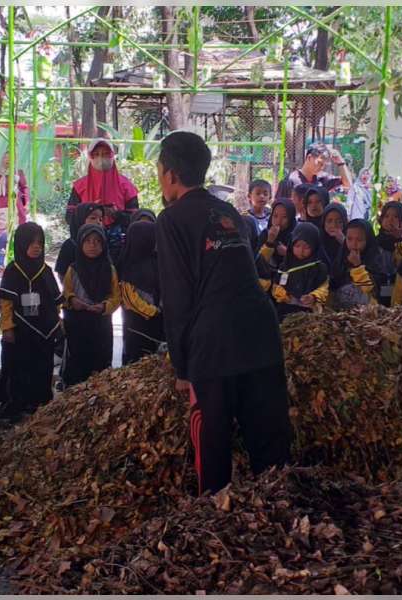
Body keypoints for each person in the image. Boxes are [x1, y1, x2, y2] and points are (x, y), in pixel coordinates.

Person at [155, 130, 291, 494]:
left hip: (213, 345)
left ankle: (215, 522)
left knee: (213, 450)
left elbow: (177, 295)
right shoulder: (228, 211)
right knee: (270, 446)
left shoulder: (171, 220)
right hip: (262, 334)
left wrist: (182, 367)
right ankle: (278, 521)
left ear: (169, 174)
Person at [0, 223, 62, 420]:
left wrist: (57, 322)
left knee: (42, 368)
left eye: (40, 243)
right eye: (31, 242)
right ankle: (17, 403)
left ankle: (40, 403)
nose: (36, 247)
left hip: (45, 331)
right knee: (19, 368)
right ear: (21, 243)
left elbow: (55, 301)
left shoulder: (46, 270)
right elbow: (5, 303)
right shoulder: (12, 270)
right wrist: (7, 327)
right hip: (20, 330)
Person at [61, 224, 120, 387]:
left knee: (100, 365)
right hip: (77, 323)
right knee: (78, 364)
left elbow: (116, 297)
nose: (92, 246)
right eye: (87, 241)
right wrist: (73, 300)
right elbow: (66, 292)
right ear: (80, 244)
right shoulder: (73, 269)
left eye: (97, 242)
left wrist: (104, 307)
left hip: (101, 324)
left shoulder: (109, 269)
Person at [67, 139, 139, 260]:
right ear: (91, 157)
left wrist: (117, 215)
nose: (101, 159)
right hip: (87, 244)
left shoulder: (126, 186)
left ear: (112, 156)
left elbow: (136, 219)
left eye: (105, 154)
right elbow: (69, 216)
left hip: (118, 247)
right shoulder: (79, 186)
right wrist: (87, 214)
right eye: (96, 154)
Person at [117, 221, 164, 365]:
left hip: (160, 323)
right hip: (137, 325)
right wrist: (153, 311)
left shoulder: (159, 261)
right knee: (138, 362)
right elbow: (129, 297)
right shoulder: (127, 263)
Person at [270, 222, 330, 322]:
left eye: (306, 247)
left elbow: (324, 288)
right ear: (291, 244)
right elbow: (276, 286)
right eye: (297, 246)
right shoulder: (286, 265)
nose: (301, 251)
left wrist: (313, 297)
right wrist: (284, 295)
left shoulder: (319, 268)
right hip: (285, 311)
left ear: (315, 246)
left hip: (309, 313)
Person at [329, 219, 384, 309]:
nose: (354, 244)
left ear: (368, 240)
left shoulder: (374, 260)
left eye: (359, 240)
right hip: (339, 314)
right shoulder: (341, 257)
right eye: (349, 239)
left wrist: (357, 266)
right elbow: (333, 284)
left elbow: (370, 290)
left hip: (366, 315)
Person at [275, 143, 352, 201]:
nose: (322, 167)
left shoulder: (323, 179)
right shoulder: (290, 180)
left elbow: (347, 184)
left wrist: (341, 162)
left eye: (324, 165)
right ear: (309, 157)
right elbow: (279, 205)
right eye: (319, 163)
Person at [54, 203, 104, 281]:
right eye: (93, 218)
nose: (98, 222)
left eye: (101, 219)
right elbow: (62, 273)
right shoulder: (70, 245)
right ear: (80, 219)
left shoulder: (102, 243)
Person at [376, 201, 402, 307]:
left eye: (395, 216)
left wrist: (400, 240)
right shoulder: (374, 241)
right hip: (378, 290)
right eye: (386, 216)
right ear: (381, 219)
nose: (390, 220)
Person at [0, 152, 30, 227]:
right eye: (6, 158)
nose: (7, 160)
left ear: (14, 160)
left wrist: (26, 203)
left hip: (15, 203)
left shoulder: (18, 172)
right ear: (2, 159)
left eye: (10, 158)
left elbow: (24, 187)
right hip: (1, 204)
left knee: (18, 225)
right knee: (3, 226)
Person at [258, 198, 296, 270]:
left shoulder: (296, 236)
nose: (278, 221)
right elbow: (258, 263)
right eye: (275, 216)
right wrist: (269, 242)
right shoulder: (265, 234)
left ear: (291, 218)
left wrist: (287, 253)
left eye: (284, 217)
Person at [320, 202, 349, 268]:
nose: (334, 225)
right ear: (323, 222)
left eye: (339, 221)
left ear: (344, 222)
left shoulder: (351, 239)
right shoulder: (318, 240)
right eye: (329, 221)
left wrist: (344, 243)